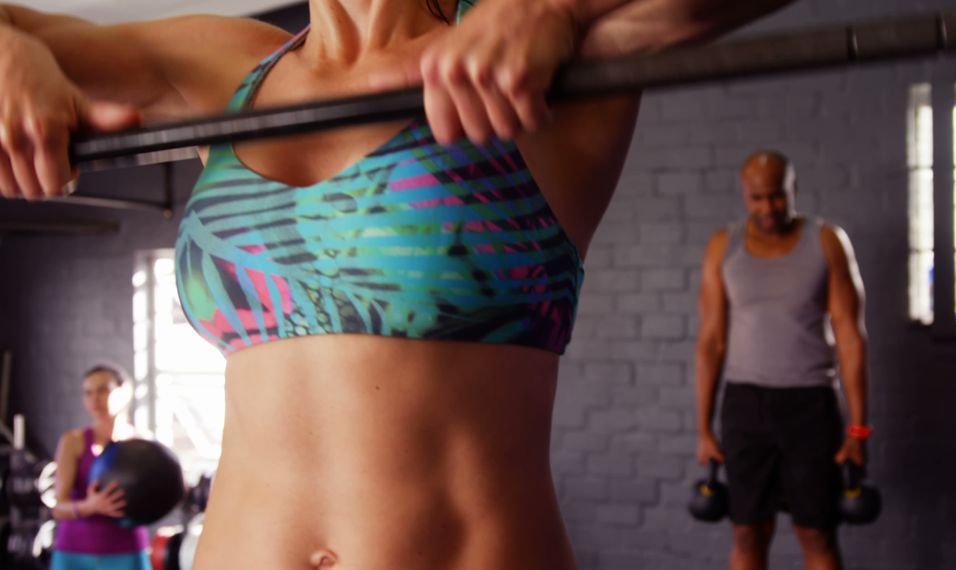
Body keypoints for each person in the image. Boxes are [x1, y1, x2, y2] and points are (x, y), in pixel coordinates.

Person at [0, 1, 793, 568]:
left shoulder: (528, 50)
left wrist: (559, 8)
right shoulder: (225, 65)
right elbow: (21, 24)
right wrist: (12, 51)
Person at [694, 150, 870, 570]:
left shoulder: (826, 241)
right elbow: (711, 340)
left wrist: (859, 427)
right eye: (757, 198)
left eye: (777, 196)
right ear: (744, 195)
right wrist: (703, 428)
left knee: (817, 533)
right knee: (747, 531)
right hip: (744, 405)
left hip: (809, 405)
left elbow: (850, 336)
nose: (768, 207)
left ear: (793, 190)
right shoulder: (723, 246)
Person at [50, 365, 150, 570]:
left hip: (127, 550)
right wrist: (91, 505)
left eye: (103, 390)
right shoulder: (73, 441)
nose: (95, 399)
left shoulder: (142, 443)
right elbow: (58, 508)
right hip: (75, 553)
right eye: (88, 393)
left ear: (124, 393)